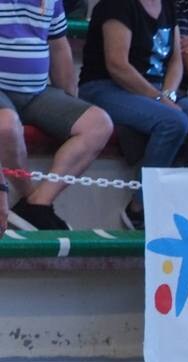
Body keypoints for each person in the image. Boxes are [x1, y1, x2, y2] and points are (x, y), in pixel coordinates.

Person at [78, 0, 188, 230]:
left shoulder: (168, 6)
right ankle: (139, 207)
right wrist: (159, 99)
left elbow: (176, 61)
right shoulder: (118, 5)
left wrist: (169, 95)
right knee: (173, 122)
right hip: (105, 86)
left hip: (154, 90)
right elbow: (117, 66)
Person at [0, 0, 114, 230]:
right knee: (7, 125)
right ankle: (30, 200)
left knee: (99, 124)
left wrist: (71, 101)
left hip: (38, 92)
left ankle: (38, 202)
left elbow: (59, 47)